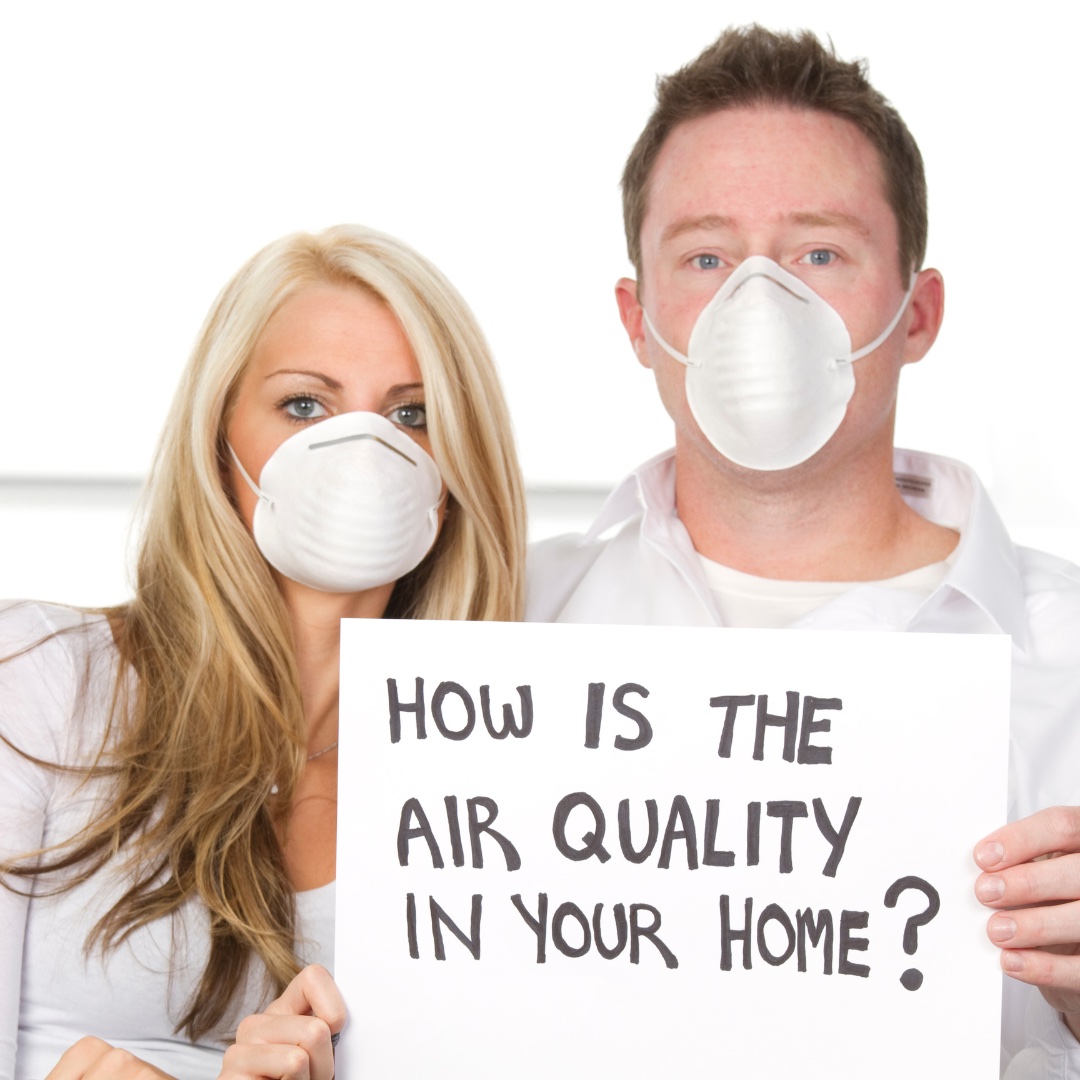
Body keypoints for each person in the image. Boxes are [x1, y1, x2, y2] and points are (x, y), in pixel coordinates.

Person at [526, 26, 1080, 1078]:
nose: (758, 301)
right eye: (706, 257)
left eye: (819, 251)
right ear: (637, 321)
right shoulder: (497, 622)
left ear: (916, 313)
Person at [0, 224, 526, 1080]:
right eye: (305, 405)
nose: (364, 452)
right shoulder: (36, 681)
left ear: (459, 468)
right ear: (218, 438)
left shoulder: (489, 782)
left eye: (411, 415)